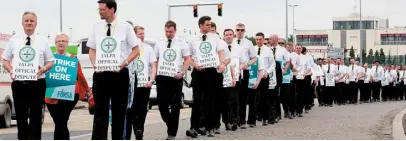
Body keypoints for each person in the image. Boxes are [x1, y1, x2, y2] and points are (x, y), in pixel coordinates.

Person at [87, 0, 141, 139]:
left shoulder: (125, 27)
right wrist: (95, 65)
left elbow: (136, 50)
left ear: (112, 9)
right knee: (100, 112)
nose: (99, 12)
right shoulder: (96, 27)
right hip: (101, 74)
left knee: (118, 112)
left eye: (102, 9)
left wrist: (125, 63)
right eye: (99, 9)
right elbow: (92, 50)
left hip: (119, 74)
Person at [2, 11, 55, 140]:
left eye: (32, 21)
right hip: (19, 84)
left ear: (36, 24)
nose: (29, 23)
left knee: (36, 117)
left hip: (37, 84)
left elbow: (51, 61)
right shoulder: (13, 40)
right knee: (21, 117)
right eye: (27, 21)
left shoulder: (43, 41)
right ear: (22, 23)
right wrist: (11, 70)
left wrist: (43, 69)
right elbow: (5, 60)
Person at [187, 16, 227, 137]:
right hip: (199, 72)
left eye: (210, 25)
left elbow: (220, 52)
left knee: (210, 100)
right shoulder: (193, 39)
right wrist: (195, 65)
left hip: (211, 72)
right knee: (197, 100)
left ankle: (210, 127)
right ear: (201, 25)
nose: (210, 27)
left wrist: (222, 64)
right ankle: (194, 127)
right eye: (207, 25)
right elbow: (188, 56)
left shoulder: (215, 37)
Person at [44, 33, 89, 140]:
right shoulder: (49, 59)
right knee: (60, 121)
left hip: (70, 94)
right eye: (59, 41)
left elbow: (80, 75)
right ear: (55, 43)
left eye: (63, 41)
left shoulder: (73, 59)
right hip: (52, 95)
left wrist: (87, 89)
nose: (61, 43)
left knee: (61, 120)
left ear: (67, 43)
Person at [154, 21, 191, 140]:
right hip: (162, 77)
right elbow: (156, 60)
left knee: (175, 106)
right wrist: (155, 74)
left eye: (170, 32)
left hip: (175, 78)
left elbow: (187, 59)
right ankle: (170, 124)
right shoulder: (159, 43)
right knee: (161, 105)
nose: (168, 34)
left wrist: (183, 73)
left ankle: (172, 133)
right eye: (166, 31)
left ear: (175, 31)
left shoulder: (181, 43)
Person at [125, 26, 157, 140]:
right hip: (132, 81)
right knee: (132, 108)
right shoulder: (129, 48)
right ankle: (133, 130)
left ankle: (139, 130)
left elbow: (153, 65)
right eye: (139, 34)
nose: (142, 36)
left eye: (143, 33)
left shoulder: (148, 48)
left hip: (145, 82)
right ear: (134, 35)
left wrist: (151, 80)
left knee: (143, 108)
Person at [220, 29, 245, 131]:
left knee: (234, 100)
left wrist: (239, 68)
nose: (229, 36)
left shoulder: (239, 48)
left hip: (236, 78)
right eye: (226, 35)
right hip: (223, 78)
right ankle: (226, 121)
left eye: (230, 34)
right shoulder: (220, 48)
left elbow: (244, 62)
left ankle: (234, 120)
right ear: (224, 36)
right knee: (225, 101)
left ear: (233, 36)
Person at [234, 23, 257, 129]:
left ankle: (242, 120)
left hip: (245, 71)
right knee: (233, 97)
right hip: (233, 71)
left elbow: (254, 58)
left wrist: (247, 64)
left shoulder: (248, 43)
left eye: (242, 30)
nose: (240, 31)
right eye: (238, 29)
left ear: (244, 31)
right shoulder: (231, 42)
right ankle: (233, 120)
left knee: (243, 97)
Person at [254, 32, 276, 126]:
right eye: (257, 39)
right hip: (254, 77)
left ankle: (265, 118)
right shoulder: (253, 49)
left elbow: (272, 64)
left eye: (260, 39)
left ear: (263, 39)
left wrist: (267, 72)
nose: (258, 41)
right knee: (254, 98)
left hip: (264, 77)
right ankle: (254, 118)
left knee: (264, 98)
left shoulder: (268, 50)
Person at [268, 34, 290, 121]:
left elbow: (288, 61)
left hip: (278, 72)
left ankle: (277, 114)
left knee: (276, 93)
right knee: (270, 94)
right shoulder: (267, 49)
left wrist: (284, 69)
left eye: (271, 38)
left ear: (275, 39)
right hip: (269, 72)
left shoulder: (282, 50)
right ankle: (270, 114)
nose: (269, 40)